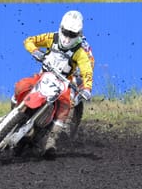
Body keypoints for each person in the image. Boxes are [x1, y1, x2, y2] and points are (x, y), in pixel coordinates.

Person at [13, 10, 94, 158]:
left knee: (65, 105)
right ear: (61, 27)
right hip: (43, 76)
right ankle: (13, 116)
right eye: (66, 32)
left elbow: (88, 69)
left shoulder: (83, 50)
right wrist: (35, 51)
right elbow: (29, 40)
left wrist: (87, 87)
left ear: (79, 33)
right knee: (22, 86)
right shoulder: (52, 37)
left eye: (72, 34)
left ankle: (51, 142)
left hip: (65, 83)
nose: (68, 37)